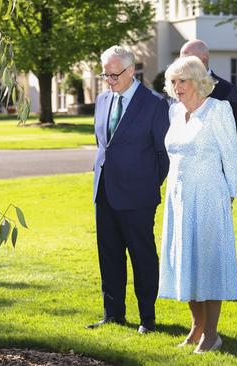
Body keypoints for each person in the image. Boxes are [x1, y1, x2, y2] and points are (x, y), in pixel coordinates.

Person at [158, 56, 237, 354]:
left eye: (183, 81)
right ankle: (196, 326)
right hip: (178, 197)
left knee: (208, 262)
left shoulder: (218, 110)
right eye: (173, 82)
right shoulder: (174, 112)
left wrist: (229, 195)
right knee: (185, 259)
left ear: (198, 81)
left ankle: (212, 334)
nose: (177, 87)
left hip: (209, 196)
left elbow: (232, 156)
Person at [88, 45, 170, 334]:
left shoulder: (155, 103)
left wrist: (148, 186)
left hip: (138, 196)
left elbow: (164, 155)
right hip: (105, 192)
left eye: (115, 74)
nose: (109, 80)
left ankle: (147, 318)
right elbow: (103, 146)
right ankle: (113, 314)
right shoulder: (101, 100)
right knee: (109, 254)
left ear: (131, 70)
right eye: (105, 75)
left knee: (142, 256)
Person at [180, 39, 237, 179]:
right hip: (183, 171)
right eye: (180, 56)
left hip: (217, 172)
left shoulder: (227, 90)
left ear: (203, 58)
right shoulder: (177, 89)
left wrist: (213, 154)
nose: (180, 60)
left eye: (185, 56)